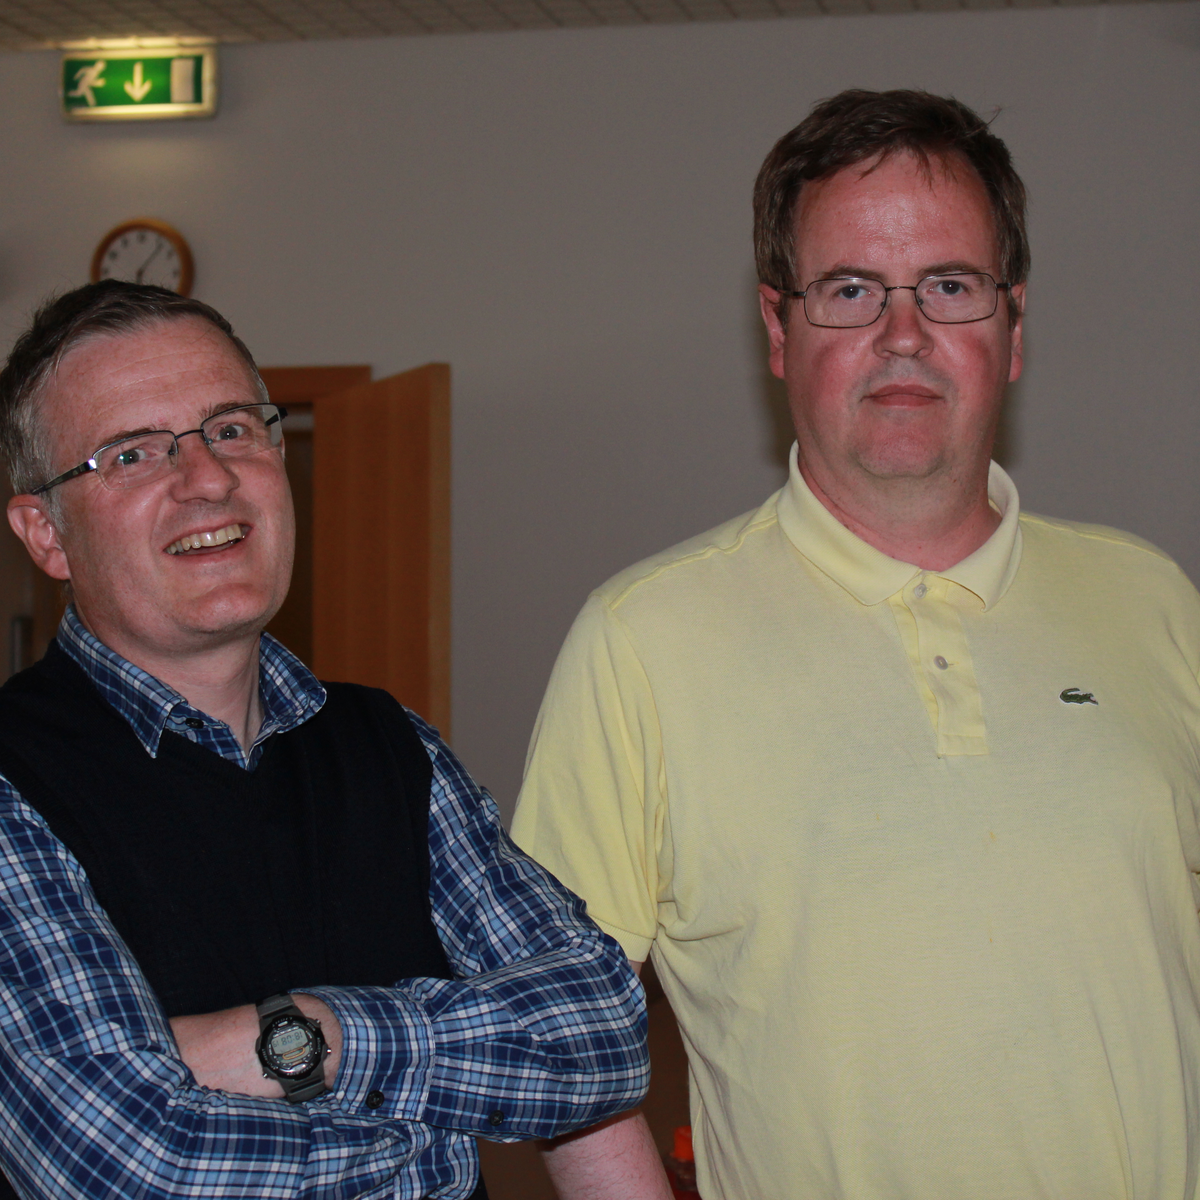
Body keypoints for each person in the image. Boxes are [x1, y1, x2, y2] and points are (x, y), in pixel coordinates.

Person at [512, 89, 1200, 1199]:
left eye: (951, 285)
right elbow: (550, 1036)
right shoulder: (641, 641)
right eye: (849, 291)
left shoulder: (1156, 601)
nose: (904, 334)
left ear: (1013, 328)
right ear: (778, 331)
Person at [0, 280, 648, 1200]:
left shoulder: (389, 746)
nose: (207, 478)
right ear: (46, 534)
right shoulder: (17, 781)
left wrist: (316, 1035)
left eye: (231, 428)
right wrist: (438, 1141)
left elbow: (602, 1034)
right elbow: (132, 1166)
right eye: (133, 453)